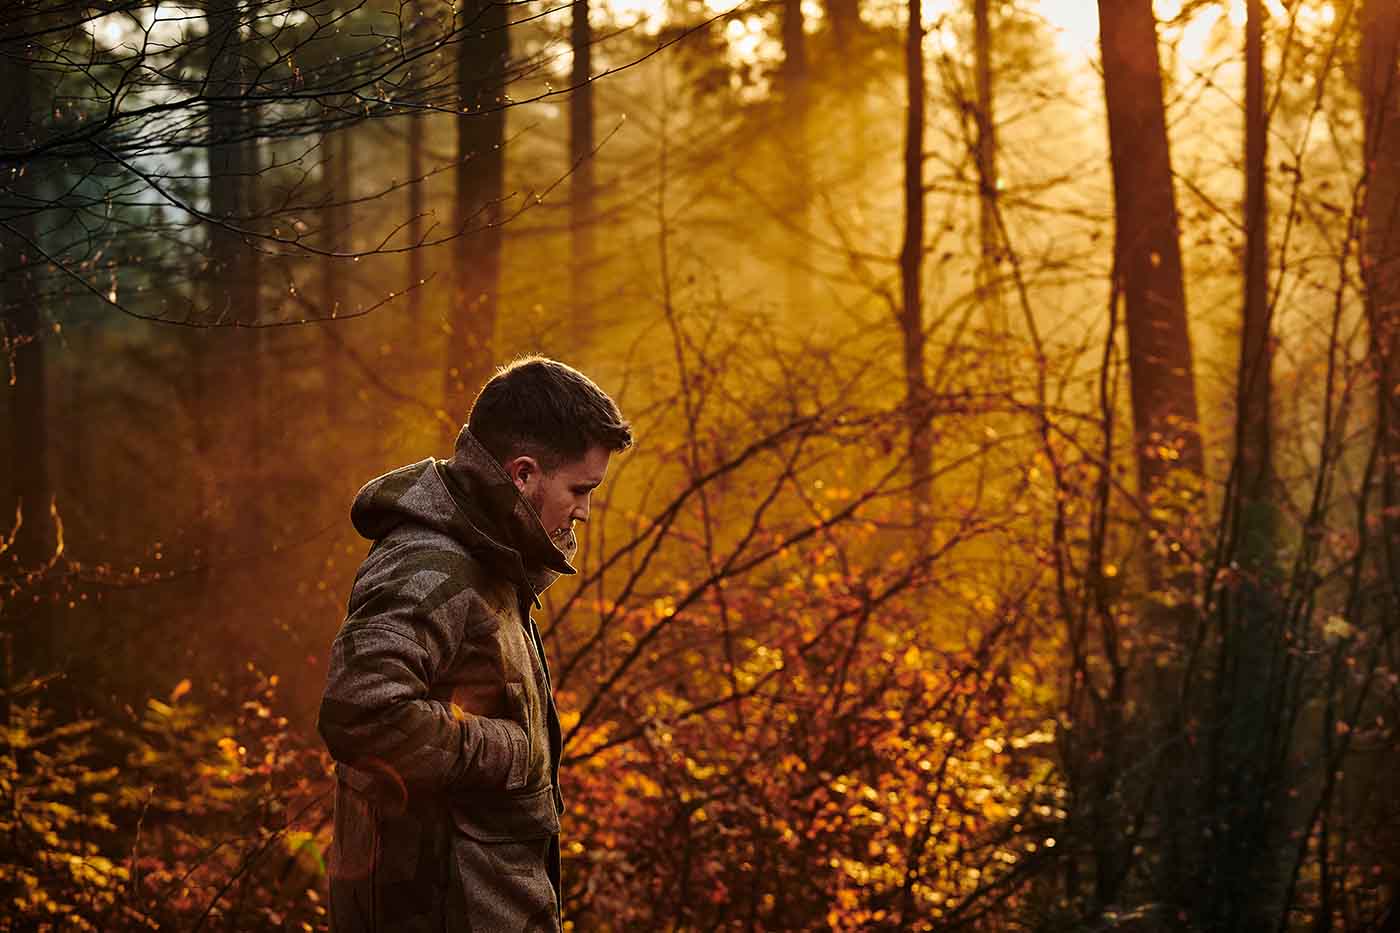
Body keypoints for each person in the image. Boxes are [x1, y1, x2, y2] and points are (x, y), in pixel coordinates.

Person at [317, 356, 632, 932]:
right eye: (580, 489)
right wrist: (511, 752)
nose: (585, 509)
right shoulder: (431, 565)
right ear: (523, 475)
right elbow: (360, 713)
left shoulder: (492, 563)